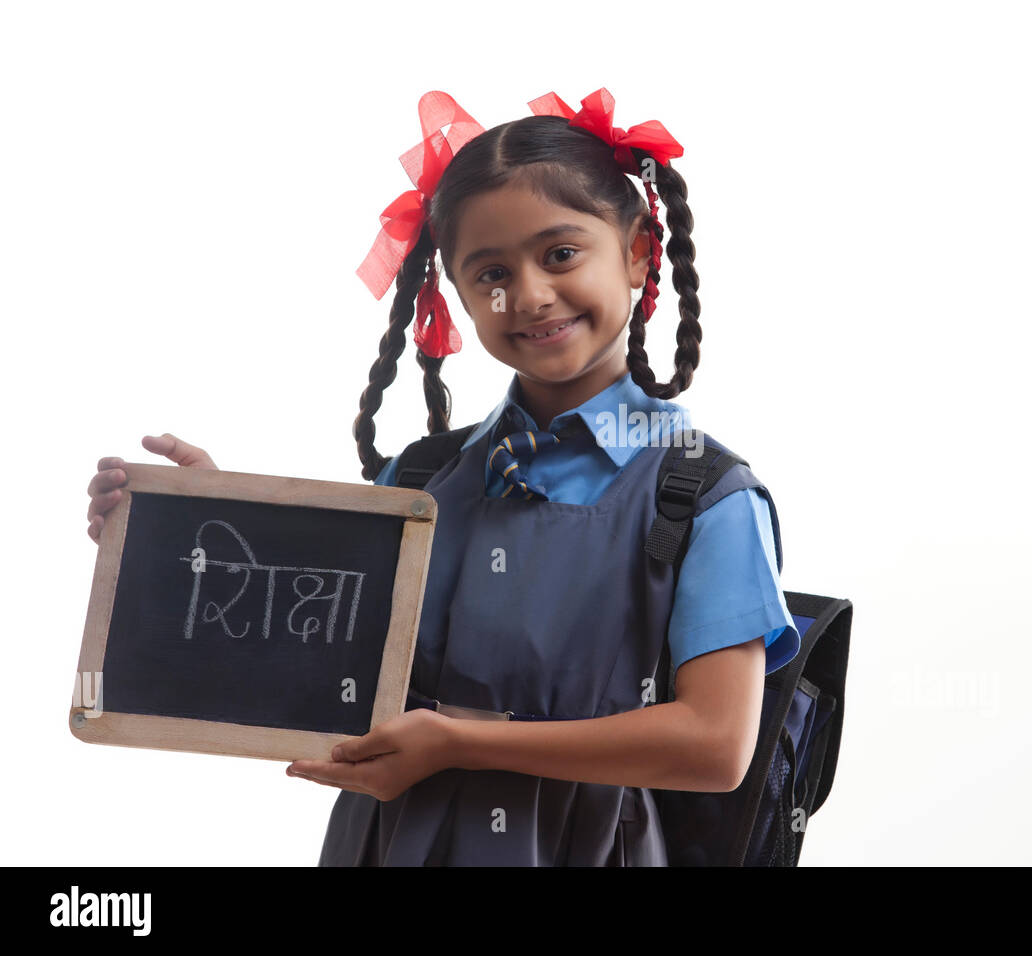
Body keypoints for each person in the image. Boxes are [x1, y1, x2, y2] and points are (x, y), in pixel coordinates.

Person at [85, 87, 799, 866]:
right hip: (387, 845)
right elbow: (319, 651)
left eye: (560, 253)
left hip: (584, 848)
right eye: (490, 271)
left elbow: (715, 745)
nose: (527, 296)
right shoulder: (422, 478)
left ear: (635, 251)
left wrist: (458, 743)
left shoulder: (700, 494)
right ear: (452, 294)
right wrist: (201, 523)